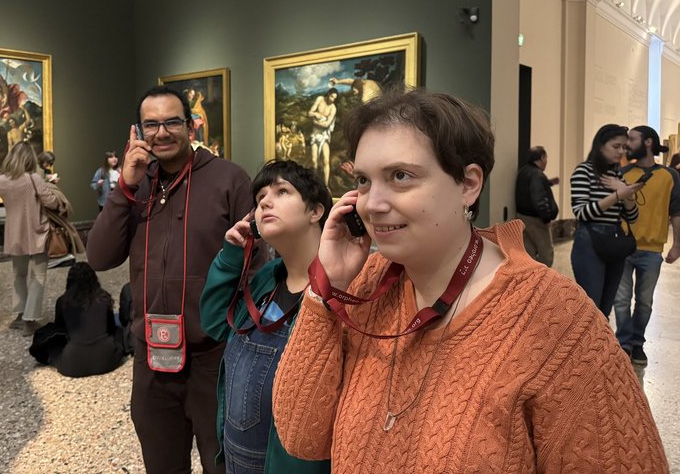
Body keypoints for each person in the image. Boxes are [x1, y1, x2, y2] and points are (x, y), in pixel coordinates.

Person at [271, 90, 668, 472]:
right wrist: (326, 289)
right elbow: (301, 436)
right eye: (363, 180)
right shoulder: (365, 283)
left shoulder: (556, 320)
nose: (372, 204)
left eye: (400, 176)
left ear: (469, 184)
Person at [86, 85, 257, 473]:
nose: (161, 133)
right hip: (152, 356)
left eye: (172, 122)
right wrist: (125, 187)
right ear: (137, 131)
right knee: (162, 463)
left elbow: (255, 265)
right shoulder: (137, 185)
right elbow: (99, 256)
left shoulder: (230, 179)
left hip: (214, 356)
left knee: (222, 463)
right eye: (151, 125)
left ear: (191, 127)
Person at [200, 160, 332, 474]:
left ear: (315, 211)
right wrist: (231, 256)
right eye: (260, 197)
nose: (265, 202)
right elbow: (216, 323)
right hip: (238, 460)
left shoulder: (340, 290)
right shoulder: (267, 280)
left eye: (282, 191)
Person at [615, 125, 680, 366]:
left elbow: (676, 212)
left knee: (644, 302)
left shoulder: (669, 176)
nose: (628, 144)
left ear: (648, 142)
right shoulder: (623, 173)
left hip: (652, 251)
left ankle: (637, 343)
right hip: (624, 247)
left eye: (632, 139)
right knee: (621, 300)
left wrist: (677, 245)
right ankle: (623, 343)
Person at [570, 124, 643, 317]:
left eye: (624, 147)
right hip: (589, 241)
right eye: (616, 146)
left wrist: (627, 195)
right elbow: (582, 213)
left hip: (614, 239)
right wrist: (618, 194)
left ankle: (601, 338)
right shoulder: (584, 171)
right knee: (590, 308)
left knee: (605, 309)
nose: (621, 152)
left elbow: (633, 217)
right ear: (601, 146)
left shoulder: (617, 175)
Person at [0, 142, 60, 336]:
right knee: (38, 276)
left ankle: (19, 314)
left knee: (19, 274)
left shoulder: (0, 180)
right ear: (30, 158)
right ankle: (29, 320)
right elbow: (51, 202)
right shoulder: (33, 178)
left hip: (14, 233)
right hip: (36, 231)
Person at [33, 262, 125, 377]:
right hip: (107, 359)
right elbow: (110, 328)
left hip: (73, 363)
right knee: (120, 331)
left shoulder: (63, 302)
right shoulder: (103, 298)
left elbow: (61, 330)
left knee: (49, 335)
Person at [515, 146, 559, 266]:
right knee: (546, 255)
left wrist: (548, 183)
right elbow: (538, 198)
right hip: (536, 220)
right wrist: (546, 218)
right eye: (546, 158)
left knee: (529, 252)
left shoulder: (524, 171)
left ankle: (531, 275)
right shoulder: (537, 175)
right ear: (542, 157)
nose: (546, 161)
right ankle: (541, 276)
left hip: (522, 217)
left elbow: (529, 188)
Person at [308, 88, 338, 186]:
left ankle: (326, 186)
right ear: (328, 94)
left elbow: (327, 124)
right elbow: (310, 113)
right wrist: (316, 114)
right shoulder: (320, 99)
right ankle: (314, 184)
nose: (332, 99)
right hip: (315, 134)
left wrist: (315, 122)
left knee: (326, 160)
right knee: (314, 160)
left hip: (324, 135)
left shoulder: (333, 108)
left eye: (334, 98)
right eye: (332, 96)